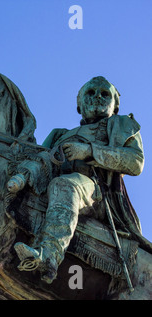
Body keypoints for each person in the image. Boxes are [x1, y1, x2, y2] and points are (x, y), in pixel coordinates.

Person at [9, 76, 146, 284]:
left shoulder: (123, 126)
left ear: (115, 106)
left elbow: (135, 162)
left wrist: (89, 151)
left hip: (95, 192)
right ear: (79, 105)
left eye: (104, 94)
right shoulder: (59, 134)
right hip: (48, 183)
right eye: (90, 93)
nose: (98, 97)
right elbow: (38, 156)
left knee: (65, 185)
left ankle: (49, 256)